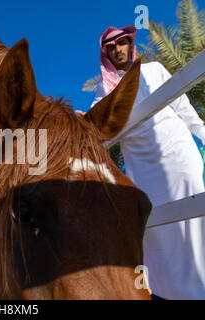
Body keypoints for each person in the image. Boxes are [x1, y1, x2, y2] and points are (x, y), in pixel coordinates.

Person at [83, 25, 205, 299]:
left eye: (121, 43)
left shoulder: (153, 71)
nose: (117, 50)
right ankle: (166, 294)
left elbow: (183, 107)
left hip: (178, 156)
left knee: (194, 221)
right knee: (156, 232)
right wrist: (82, 120)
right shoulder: (105, 89)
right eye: (111, 47)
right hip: (143, 171)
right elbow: (94, 118)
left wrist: (203, 134)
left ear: (130, 45)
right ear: (106, 54)